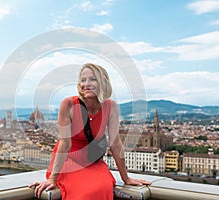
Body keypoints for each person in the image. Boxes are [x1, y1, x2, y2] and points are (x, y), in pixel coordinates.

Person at [29, 63, 151, 199]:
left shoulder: (110, 107)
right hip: (68, 161)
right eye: (83, 80)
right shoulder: (68, 104)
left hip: (92, 161)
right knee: (85, 192)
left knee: (104, 186)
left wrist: (126, 178)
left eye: (92, 79)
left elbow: (115, 143)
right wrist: (52, 178)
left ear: (103, 82)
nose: (86, 84)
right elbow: (65, 143)